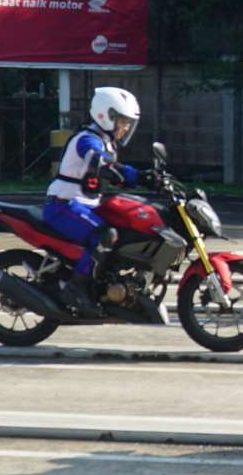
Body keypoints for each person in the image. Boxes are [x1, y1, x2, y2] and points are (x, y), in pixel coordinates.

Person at [43, 87, 158, 317]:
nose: (126, 128)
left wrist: (147, 177)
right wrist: (121, 171)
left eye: (128, 122)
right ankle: (76, 289)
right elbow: (97, 160)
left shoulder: (105, 141)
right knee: (105, 235)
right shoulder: (88, 140)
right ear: (107, 116)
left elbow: (116, 171)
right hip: (64, 205)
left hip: (83, 205)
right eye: (123, 121)